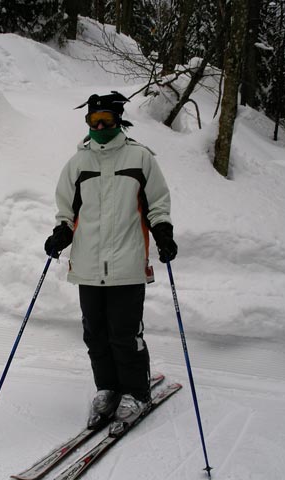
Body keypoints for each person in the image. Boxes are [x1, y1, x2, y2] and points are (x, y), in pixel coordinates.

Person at [44, 91, 178, 436]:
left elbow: (157, 203)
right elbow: (67, 211)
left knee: (124, 335)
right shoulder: (77, 163)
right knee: (96, 336)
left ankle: (135, 392)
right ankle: (107, 389)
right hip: (87, 265)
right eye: (93, 121)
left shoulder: (140, 157)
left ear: (119, 119)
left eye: (105, 120)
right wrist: (61, 234)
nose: (99, 126)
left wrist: (163, 232)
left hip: (127, 264)